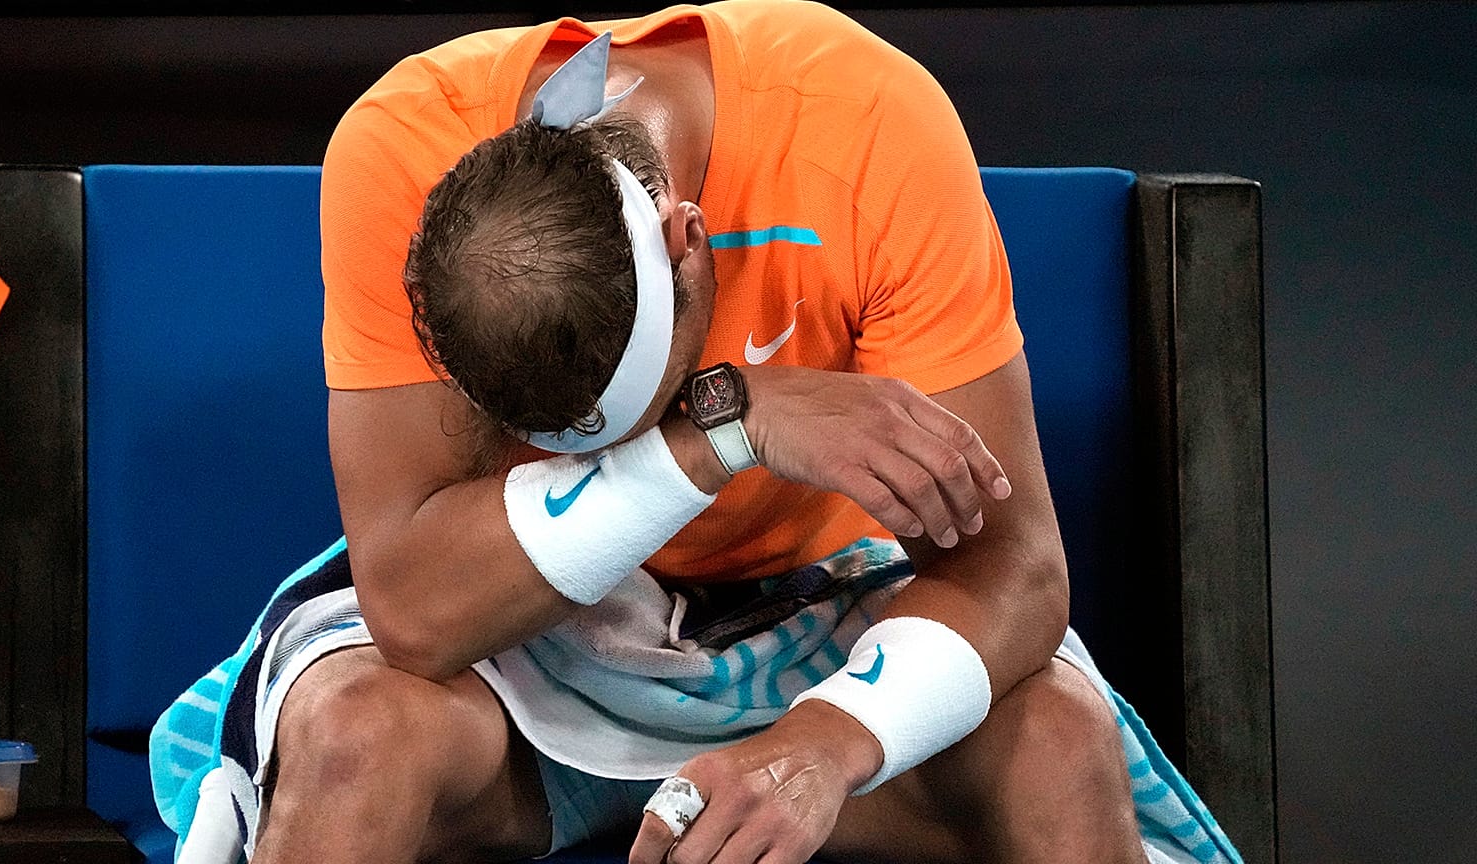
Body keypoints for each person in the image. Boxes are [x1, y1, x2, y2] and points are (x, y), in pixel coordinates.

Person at [150, 3, 1238, 863]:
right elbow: (417, 612)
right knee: (348, 740)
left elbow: (1020, 573)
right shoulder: (401, 147)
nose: (587, 452)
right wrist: (726, 425)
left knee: (1060, 742)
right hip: (528, 630)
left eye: (621, 416)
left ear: (689, 238)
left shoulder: (863, 119)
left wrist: (822, 744)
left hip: (824, 611)